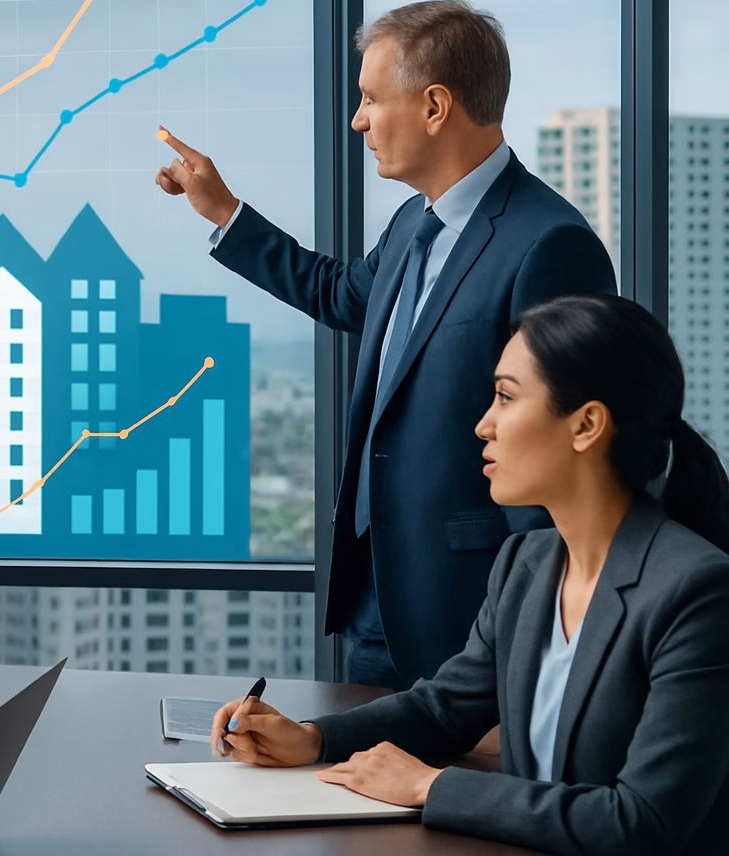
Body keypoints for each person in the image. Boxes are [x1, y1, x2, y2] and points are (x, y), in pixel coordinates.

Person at [155, 0, 617, 687]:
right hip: (373, 601)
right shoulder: (411, 226)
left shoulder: (549, 244)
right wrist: (226, 214)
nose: (358, 120)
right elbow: (342, 295)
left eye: (371, 97)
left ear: (435, 106)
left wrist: (534, 656)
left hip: (469, 616)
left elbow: (562, 468)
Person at [211, 294, 729, 854]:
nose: (484, 425)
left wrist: (430, 786)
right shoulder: (525, 565)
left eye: (506, 397)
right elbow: (442, 710)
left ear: (586, 425)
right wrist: (312, 738)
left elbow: (642, 821)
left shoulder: (697, 592)